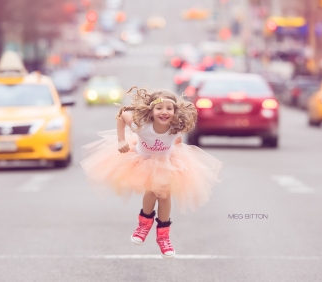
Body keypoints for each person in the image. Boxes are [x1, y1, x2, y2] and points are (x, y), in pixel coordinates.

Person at [80, 86, 222, 259]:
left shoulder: (175, 127)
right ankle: (144, 225)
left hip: (166, 161)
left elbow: (176, 139)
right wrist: (120, 140)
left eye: (169, 108)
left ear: (175, 111)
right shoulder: (142, 127)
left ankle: (163, 236)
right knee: (154, 191)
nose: (164, 112)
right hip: (142, 160)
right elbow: (122, 114)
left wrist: (176, 147)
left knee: (164, 194)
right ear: (151, 110)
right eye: (159, 108)